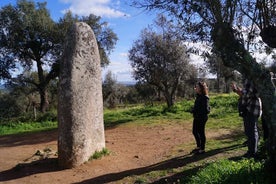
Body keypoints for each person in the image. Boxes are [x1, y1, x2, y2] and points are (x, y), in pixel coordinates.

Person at [231, 79, 262, 158]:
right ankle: (251, 151)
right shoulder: (249, 78)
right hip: (249, 109)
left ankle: (253, 153)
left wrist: (237, 90)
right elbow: (246, 94)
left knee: (252, 131)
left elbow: (247, 94)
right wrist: (238, 91)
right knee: (249, 131)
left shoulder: (251, 79)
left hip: (252, 108)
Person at [191, 81, 210, 154]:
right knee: (195, 131)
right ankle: (198, 146)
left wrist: (196, 111)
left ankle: (202, 149)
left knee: (201, 132)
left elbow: (206, 110)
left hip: (202, 118)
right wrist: (193, 110)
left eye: (197, 87)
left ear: (201, 88)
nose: (195, 88)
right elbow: (198, 107)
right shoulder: (198, 96)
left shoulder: (205, 97)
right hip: (196, 117)